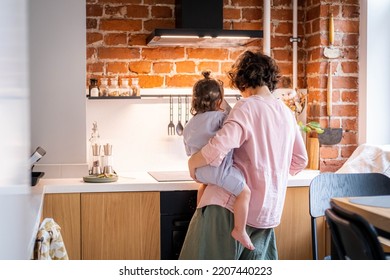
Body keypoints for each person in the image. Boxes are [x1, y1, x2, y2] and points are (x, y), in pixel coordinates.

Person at [179, 50, 308, 260]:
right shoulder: (286, 112)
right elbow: (300, 161)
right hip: (266, 212)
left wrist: (192, 162)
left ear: (244, 81)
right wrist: (270, 171)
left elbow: (216, 148)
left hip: (227, 208)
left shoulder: (246, 106)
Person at [183, 70, 254, 251]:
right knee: (244, 192)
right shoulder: (222, 118)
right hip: (219, 171)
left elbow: (189, 150)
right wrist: (225, 104)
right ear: (218, 102)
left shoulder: (190, 125)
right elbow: (232, 127)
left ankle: (200, 215)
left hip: (199, 172)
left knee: (205, 186)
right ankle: (240, 230)